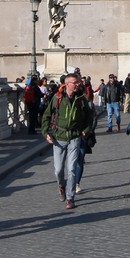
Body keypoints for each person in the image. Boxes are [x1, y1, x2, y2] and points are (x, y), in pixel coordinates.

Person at [41, 74, 93, 209]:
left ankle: (70, 197)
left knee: (71, 169)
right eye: (75, 83)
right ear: (67, 84)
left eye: (78, 83)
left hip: (74, 137)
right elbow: (46, 115)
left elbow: (90, 116)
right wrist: (46, 132)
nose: (78, 85)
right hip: (59, 137)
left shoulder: (81, 98)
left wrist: (86, 130)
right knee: (58, 170)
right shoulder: (57, 98)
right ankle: (61, 186)